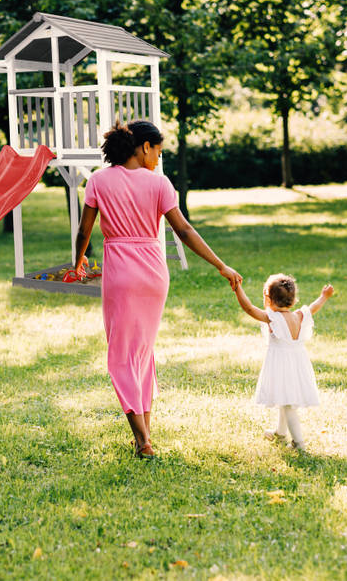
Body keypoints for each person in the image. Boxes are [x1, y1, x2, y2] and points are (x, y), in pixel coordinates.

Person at [74, 121, 241, 459]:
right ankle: (145, 433)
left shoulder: (98, 181)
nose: (158, 159)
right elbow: (184, 229)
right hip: (153, 273)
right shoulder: (160, 184)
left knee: (122, 355)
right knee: (142, 353)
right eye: (159, 152)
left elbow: (84, 231)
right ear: (144, 147)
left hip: (120, 272)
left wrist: (77, 262)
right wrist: (220, 264)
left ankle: (142, 440)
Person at [233, 273, 334, 451]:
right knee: (284, 397)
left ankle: (298, 443)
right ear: (293, 300)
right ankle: (280, 433)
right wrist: (324, 296)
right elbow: (314, 307)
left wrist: (237, 288)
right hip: (297, 364)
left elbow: (249, 308)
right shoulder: (299, 315)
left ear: (269, 298)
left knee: (288, 405)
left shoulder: (272, 318)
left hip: (282, 365)